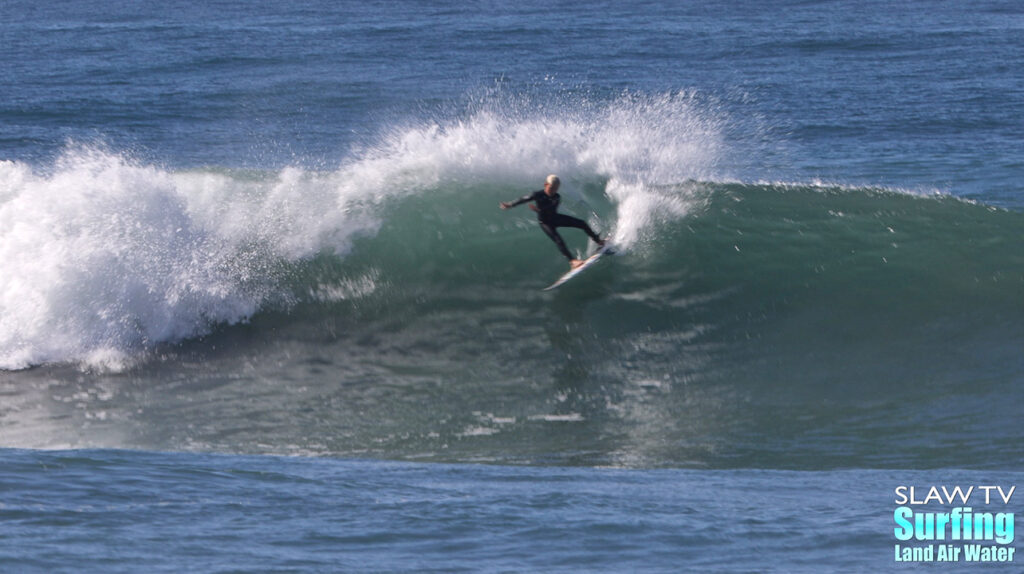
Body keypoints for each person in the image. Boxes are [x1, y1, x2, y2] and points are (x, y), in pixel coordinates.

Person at [500, 174, 605, 269]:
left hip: (555, 218)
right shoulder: (537, 194)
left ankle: (598, 241)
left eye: (556, 189)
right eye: (552, 188)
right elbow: (523, 199)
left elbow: (550, 208)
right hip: (545, 223)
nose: (554, 191)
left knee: (582, 223)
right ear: (546, 184)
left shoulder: (557, 197)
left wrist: (539, 210)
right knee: (558, 240)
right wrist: (510, 204)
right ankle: (572, 261)